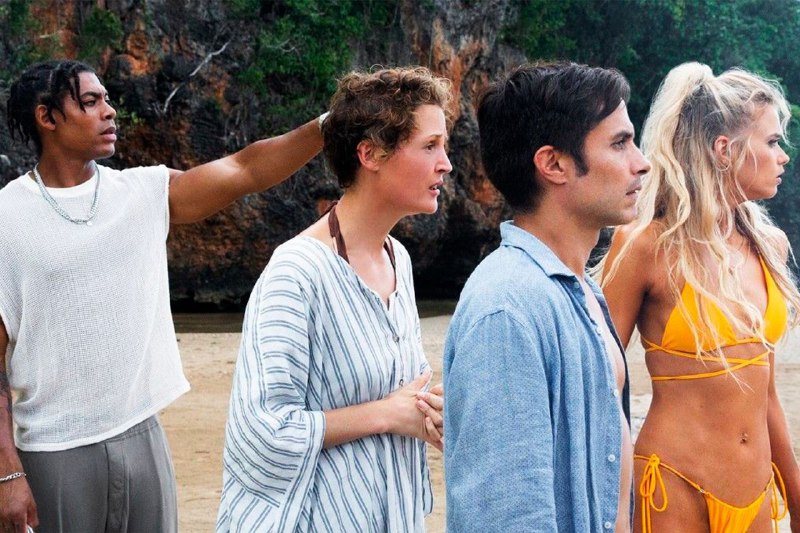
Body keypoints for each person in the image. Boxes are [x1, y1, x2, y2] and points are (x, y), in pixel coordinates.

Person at [0, 59, 324, 533]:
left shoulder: (142, 192)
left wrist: (325, 127)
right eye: (90, 102)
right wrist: (8, 473)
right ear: (46, 117)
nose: (109, 111)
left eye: (107, 99)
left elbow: (245, 169)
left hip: (144, 437)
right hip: (54, 452)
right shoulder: (7, 217)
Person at [216, 66, 452, 532]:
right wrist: (386, 415)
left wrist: (426, 412)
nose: (445, 163)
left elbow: (396, 394)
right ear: (370, 153)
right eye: (430, 146)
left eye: (443, 146)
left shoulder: (398, 259)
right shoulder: (296, 272)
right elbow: (260, 433)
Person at [443, 61, 651, 532]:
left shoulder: (582, 292)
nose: (641, 162)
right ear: (553, 164)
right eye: (620, 143)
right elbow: (506, 516)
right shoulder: (507, 308)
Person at [600, 62, 800, 533]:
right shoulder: (646, 246)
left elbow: (766, 392)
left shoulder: (770, 247)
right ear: (725, 150)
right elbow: (597, 382)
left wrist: (796, 494)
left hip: (756, 492)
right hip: (672, 484)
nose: (784, 157)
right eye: (772, 142)